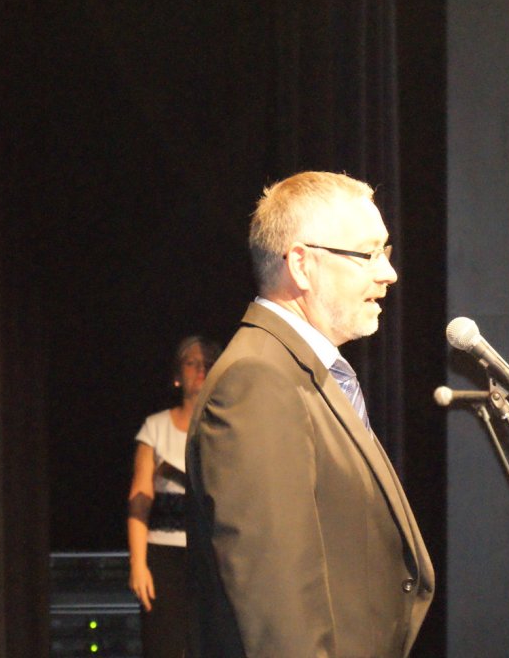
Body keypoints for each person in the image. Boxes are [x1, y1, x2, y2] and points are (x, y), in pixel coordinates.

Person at [185, 171, 434, 657]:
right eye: (368, 254)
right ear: (300, 265)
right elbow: (278, 608)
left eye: (386, 251)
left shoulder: (302, 371)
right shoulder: (258, 380)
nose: (388, 273)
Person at [128, 335, 221, 658]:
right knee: (164, 646)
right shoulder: (156, 428)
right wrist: (138, 564)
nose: (200, 370)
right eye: (192, 363)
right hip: (164, 559)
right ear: (178, 375)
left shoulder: (224, 429)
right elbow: (139, 501)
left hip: (210, 556)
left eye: (207, 364)